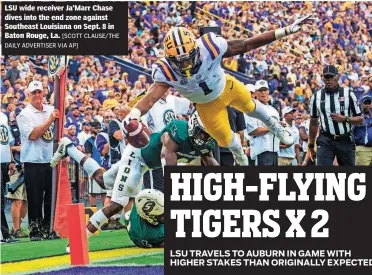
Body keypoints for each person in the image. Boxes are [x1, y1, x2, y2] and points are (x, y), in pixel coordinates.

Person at [125, 16, 315, 165]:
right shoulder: (165, 71)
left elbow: (248, 43)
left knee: (252, 106)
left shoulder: (210, 46)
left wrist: (286, 31)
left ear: (196, 48)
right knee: (226, 141)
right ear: (169, 59)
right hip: (206, 106)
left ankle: (274, 126)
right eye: (179, 61)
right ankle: (238, 151)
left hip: (226, 87)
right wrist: (134, 114)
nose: (185, 64)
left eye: (188, 58)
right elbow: (150, 99)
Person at [50, 112, 219, 249]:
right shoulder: (176, 133)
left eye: (208, 135)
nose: (204, 138)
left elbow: (211, 165)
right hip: (137, 157)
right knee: (117, 204)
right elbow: (168, 166)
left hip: (144, 163)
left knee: (102, 180)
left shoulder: (205, 144)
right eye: (202, 133)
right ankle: (77, 241)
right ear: (192, 127)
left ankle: (68, 147)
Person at [17, 80, 60, 241]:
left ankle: (48, 228)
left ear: (43, 93)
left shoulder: (50, 109)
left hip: (50, 160)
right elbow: (33, 135)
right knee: (35, 198)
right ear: (28, 95)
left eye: (39, 92)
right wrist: (49, 120)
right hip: (33, 161)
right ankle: (35, 230)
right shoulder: (24, 115)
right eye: (33, 93)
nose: (37, 95)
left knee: (50, 197)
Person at [308, 65, 363, 166]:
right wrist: (311, 144)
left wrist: (345, 119)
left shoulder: (348, 94)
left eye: (331, 77)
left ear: (337, 77)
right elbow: (313, 122)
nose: (329, 80)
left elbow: (360, 119)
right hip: (326, 139)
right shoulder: (316, 96)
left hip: (345, 139)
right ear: (322, 78)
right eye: (326, 77)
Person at [246, 80, 281, 166]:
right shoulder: (252, 108)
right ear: (255, 93)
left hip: (274, 150)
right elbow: (252, 131)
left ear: (269, 91)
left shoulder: (273, 110)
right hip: (260, 150)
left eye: (265, 90)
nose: (263, 93)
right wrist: (273, 127)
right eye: (260, 90)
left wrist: (280, 127)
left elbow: (278, 131)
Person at [0, 112, 19, 243]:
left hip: (4, 162)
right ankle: (4, 234)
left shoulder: (3, 116)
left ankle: (4, 234)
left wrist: (11, 161)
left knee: (1, 199)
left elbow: (7, 142)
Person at [352, 94, 372, 165]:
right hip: (362, 149)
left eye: (369, 103)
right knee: (362, 174)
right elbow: (350, 133)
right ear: (361, 104)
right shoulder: (356, 117)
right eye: (365, 103)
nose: (367, 105)